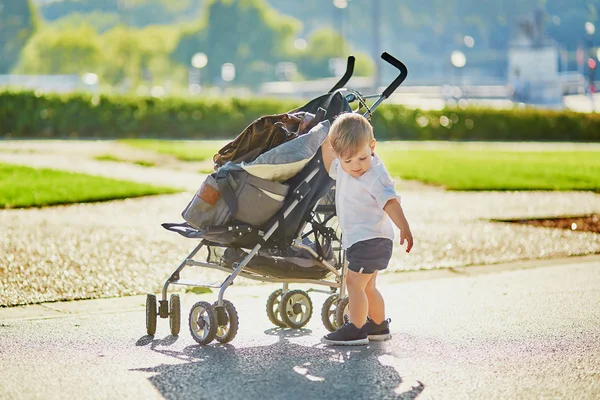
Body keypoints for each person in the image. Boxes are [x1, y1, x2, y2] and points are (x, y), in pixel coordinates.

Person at [320, 112, 413, 345]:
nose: (356, 166)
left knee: (353, 283)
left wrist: (404, 227)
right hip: (366, 239)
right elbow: (330, 162)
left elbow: (390, 201)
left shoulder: (375, 174)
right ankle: (379, 326)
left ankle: (357, 329)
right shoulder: (343, 167)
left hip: (369, 239)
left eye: (362, 158)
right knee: (369, 286)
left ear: (372, 146)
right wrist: (323, 140)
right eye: (348, 160)